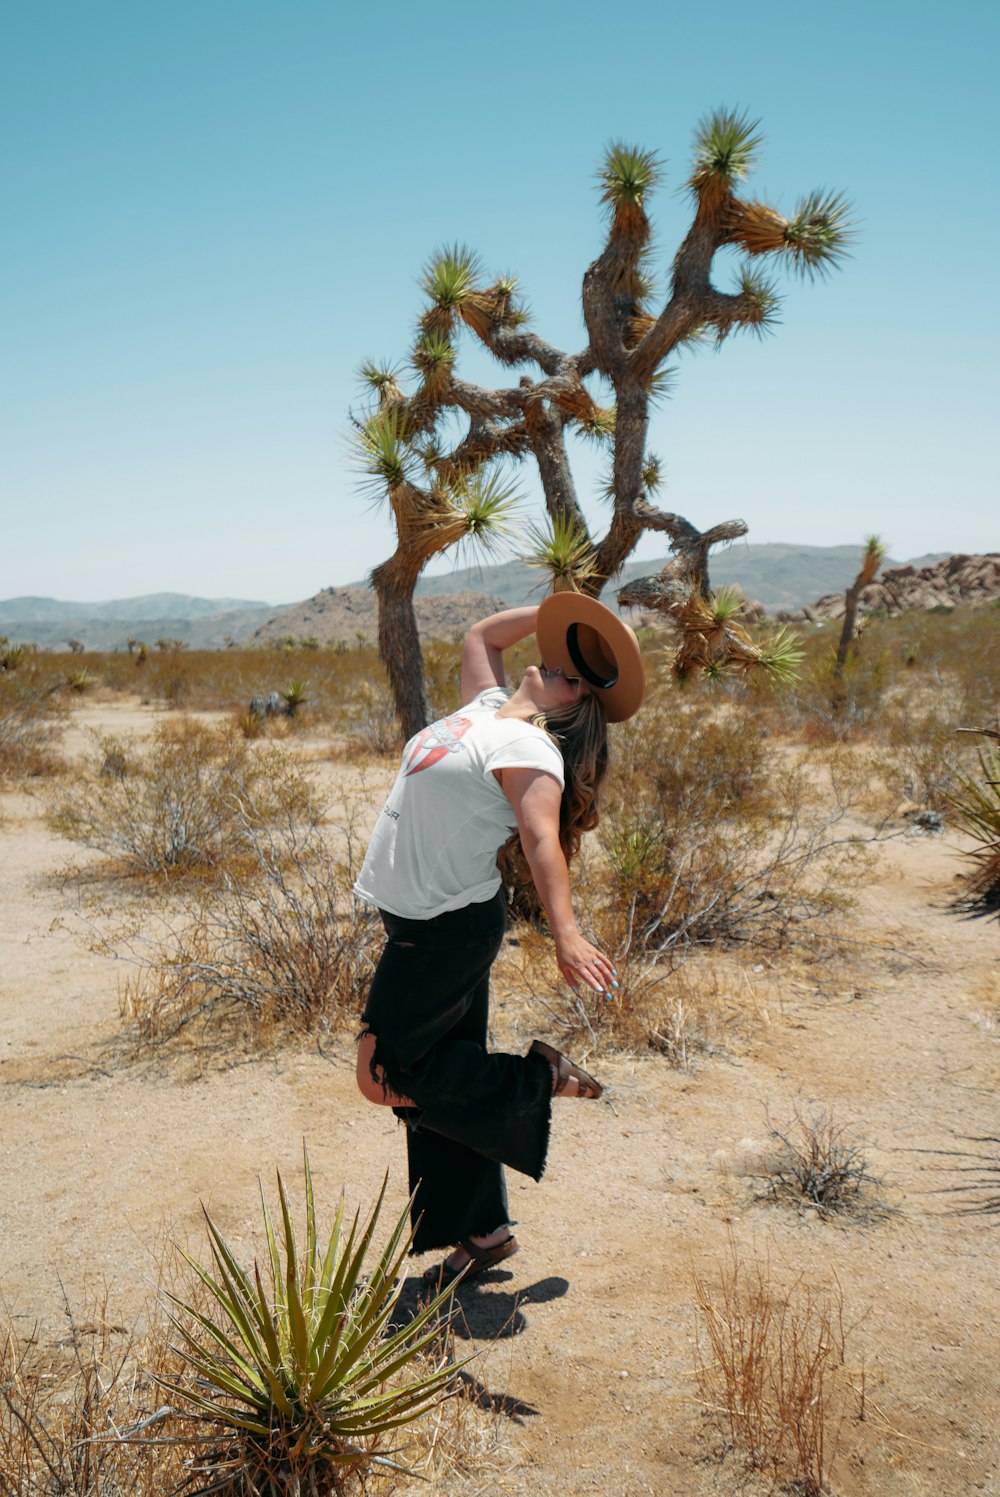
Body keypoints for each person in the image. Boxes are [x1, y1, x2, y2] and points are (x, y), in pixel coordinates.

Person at [353, 592, 645, 1286]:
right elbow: (483, 633)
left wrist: (566, 935)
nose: (560, 666)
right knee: (445, 1081)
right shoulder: (487, 709)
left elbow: (544, 841)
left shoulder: (531, 747)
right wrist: (566, 613)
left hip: (447, 932)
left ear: (567, 712)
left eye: (573, 676)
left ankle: (539, 1078)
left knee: (382, 1078)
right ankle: (483, 1231)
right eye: (562, 660)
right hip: (423, 923)